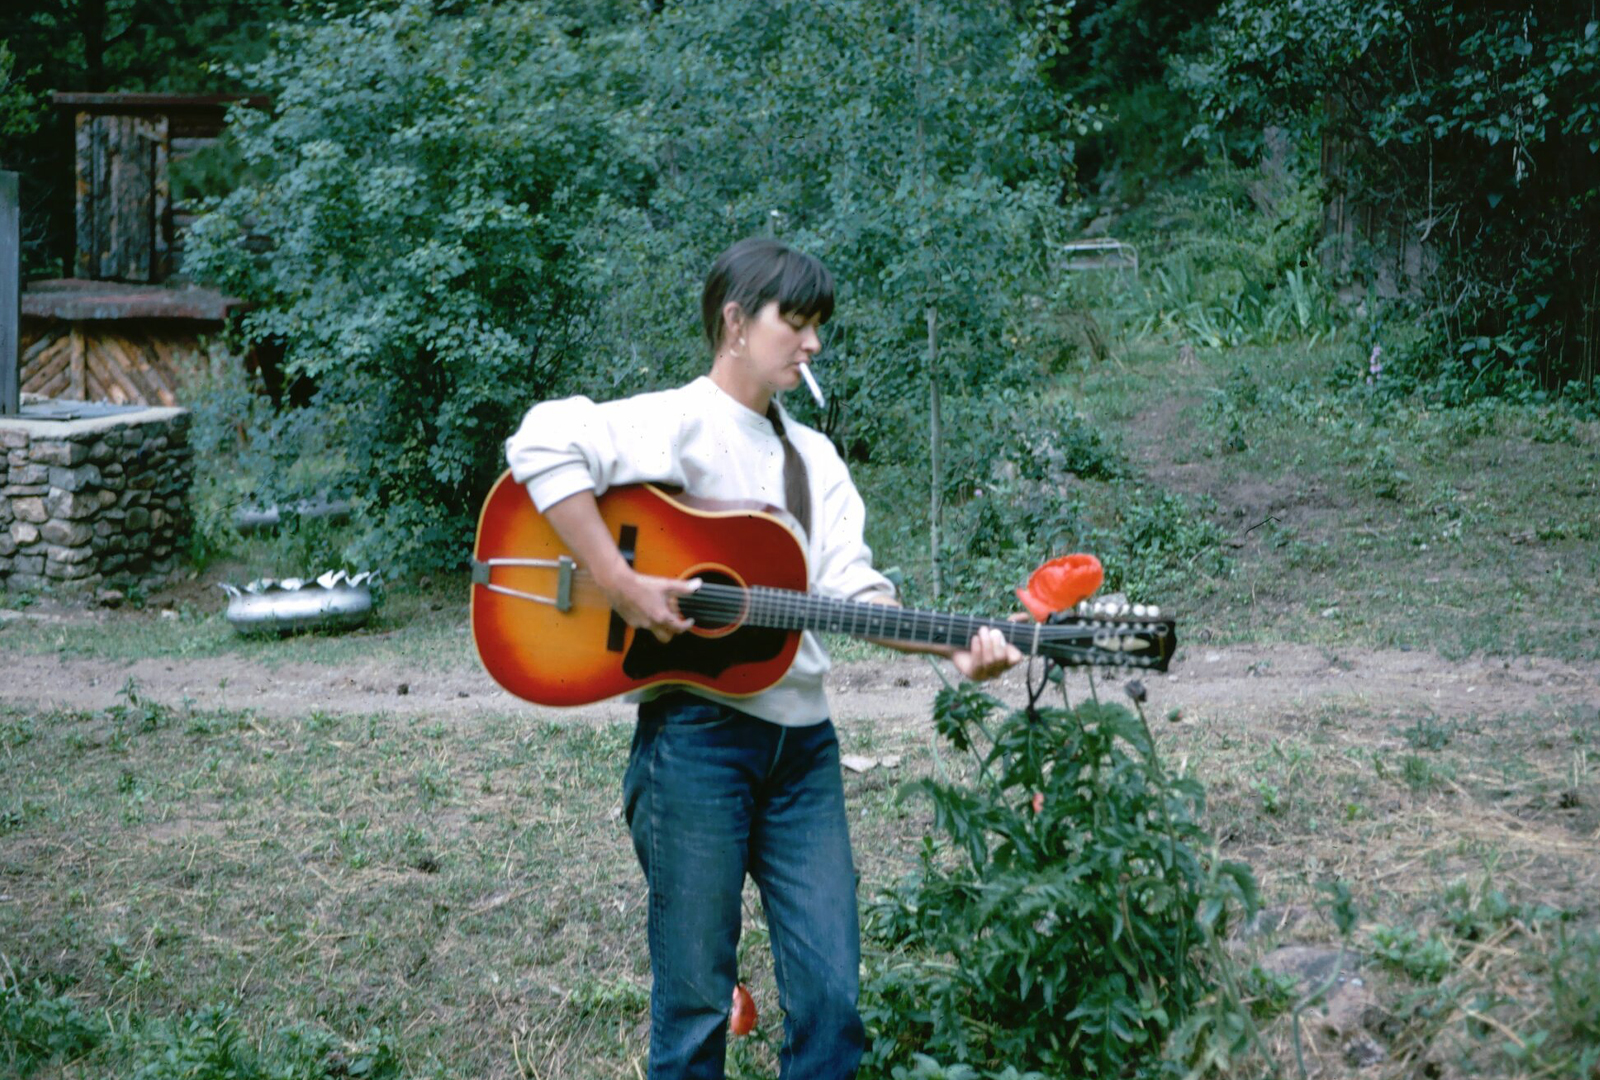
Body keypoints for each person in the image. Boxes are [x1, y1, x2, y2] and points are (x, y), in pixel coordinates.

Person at [504, 237, 1021, 1080]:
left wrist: (958, 649)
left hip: (803, 754)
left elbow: (856, 594)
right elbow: (539, 444)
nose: (813, 343)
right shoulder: (675, 420)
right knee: (695, 1012)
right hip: (697, 744)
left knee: (831, 1005)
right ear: (736, 322)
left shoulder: (813, 459)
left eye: (820, 326)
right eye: (798, 322)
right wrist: (624, 583)